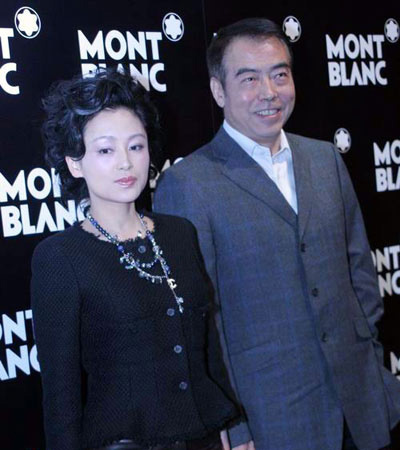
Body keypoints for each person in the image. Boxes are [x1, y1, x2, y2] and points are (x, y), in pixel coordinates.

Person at [153, 17, 400, 450]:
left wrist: (372, 358)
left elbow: (358, 268)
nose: (269, 92)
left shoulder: (324, 159)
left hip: (361, 402)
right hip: (272, 417)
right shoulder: (188, 184)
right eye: (249, 79)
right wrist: (233, 424)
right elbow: (197, 321)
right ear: (218, 91)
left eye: (279, 75)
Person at [31, 68, 241, 450]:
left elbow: (206, 347)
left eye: (136, 146)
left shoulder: (179, 234)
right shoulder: (60, 258)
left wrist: (229, 429)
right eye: (106, 150)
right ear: (75, 163)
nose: (126, 163)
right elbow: (60, 397)